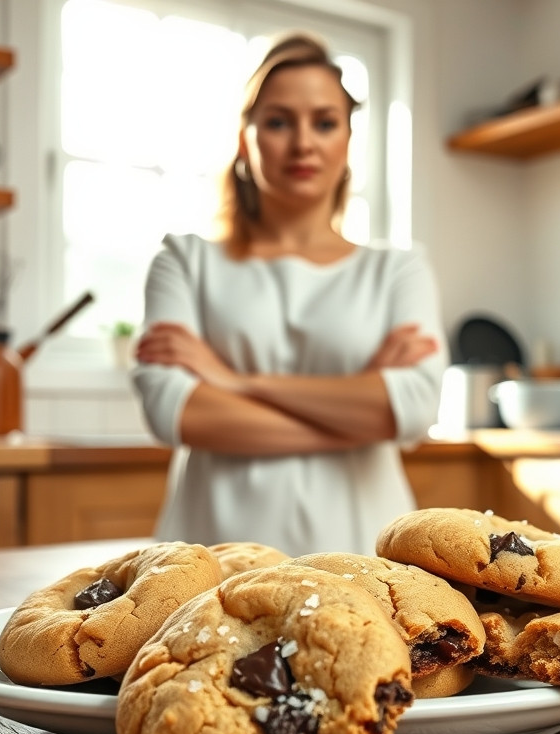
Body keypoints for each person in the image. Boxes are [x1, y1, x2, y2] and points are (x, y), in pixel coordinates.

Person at [131, 32, 446, 556]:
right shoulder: (184, 261)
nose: (303, 143)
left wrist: (233, 380)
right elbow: (177, 413)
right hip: (210, 560)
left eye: (324, 122)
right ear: (244, 138)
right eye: (278, 122)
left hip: (364, 557)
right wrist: (358, 415)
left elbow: (411, 409)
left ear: (347, 139)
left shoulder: (399, 270)